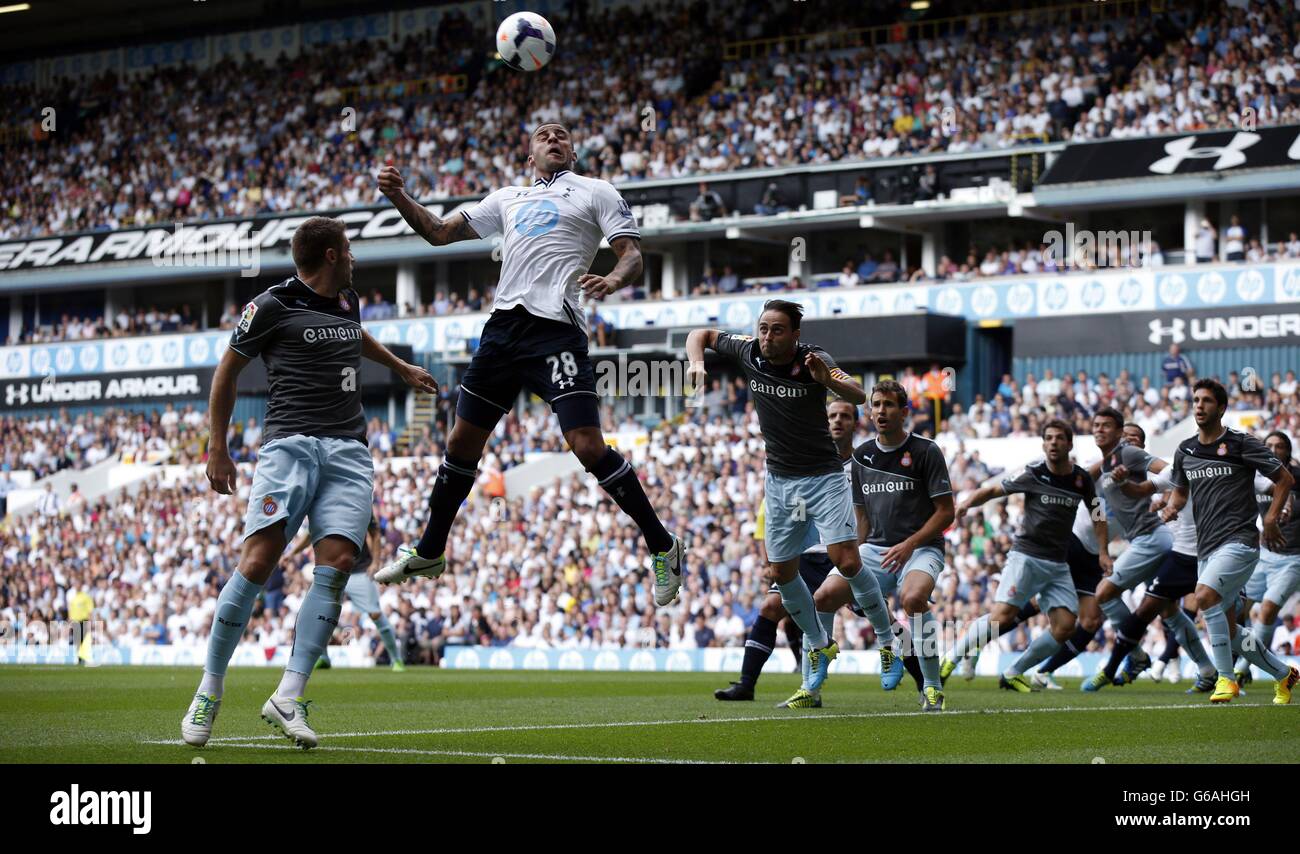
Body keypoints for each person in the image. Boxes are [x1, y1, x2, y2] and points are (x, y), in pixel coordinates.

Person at [374, 123, 684, 606]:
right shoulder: (506, 198)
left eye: (561, 135)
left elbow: (632, 256)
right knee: (460, 442)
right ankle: (431, 550)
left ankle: (663, 545)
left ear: (575, 151)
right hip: (502, 332)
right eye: (543, 135)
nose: (553, 138)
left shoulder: (596, 192)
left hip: (556, 331)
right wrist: (399, 196)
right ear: (529, 154)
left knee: (586, 445)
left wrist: (614, 280)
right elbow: (437, 233)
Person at [181, 216, 437, 750]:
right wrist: (218, 446)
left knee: (340, 563)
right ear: (328, 256)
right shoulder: (270, 306)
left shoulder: (348, 300)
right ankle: (209, 688)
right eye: (348, 250)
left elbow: (355, 336)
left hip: (350, 449)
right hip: (289, 445)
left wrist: (401, 368)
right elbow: (226, 372)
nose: (354, 259)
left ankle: (289, 695)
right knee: (257, 562)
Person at [687, 300, 889, 698]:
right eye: (763, 328)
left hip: (822, 476)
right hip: (779, 479)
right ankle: (818, 644)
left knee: (847, 560)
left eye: (777, 330)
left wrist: (826, 379)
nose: (767, 337)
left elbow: (859, 394)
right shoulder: (747, 350)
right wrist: (697, 362)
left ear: (794, 335)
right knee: (779, 575)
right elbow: (702, 335)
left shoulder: (814, 359)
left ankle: (888, 642)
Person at [714, 401, 921, 707]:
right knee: (772, 606)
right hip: (809, 555)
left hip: (848, 553)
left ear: (855, 423)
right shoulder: (802, 462)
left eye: (845, 416)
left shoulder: (865, 465)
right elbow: (785, 511)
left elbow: (870, 514)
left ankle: (926, 682)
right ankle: (747, 684)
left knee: (885, 620)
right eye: (832, 416)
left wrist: (859, 552)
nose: (838, 421)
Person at [940, 420, 1112, 692]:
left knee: (1066, 626)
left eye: (1058, 438)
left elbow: (1098, 516)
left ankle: (1013, 672)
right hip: (1027, 557)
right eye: (1048, 438)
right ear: (1043, 444)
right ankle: (952, 656)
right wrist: (965, 504)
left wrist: (1103, 551)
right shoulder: (1033, 474)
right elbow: (993, 490)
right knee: (1002, 616)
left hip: (1057, 564)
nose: (1053, 442)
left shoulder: (1081, 480)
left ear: (1069, 444)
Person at [1161, 379, 1297, 704]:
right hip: (1205, 549)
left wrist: (1270, 518)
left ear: (1221, 408)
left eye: (1206, 400)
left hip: (1241, 542)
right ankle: (1284, 674)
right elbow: (1180, 491)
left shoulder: (1240, 443)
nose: (1199, 405)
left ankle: (1226, 679)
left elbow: (1284, 479)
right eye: (1195, 400)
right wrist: (1170, 506)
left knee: (1203, 597)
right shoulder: (1185, 450)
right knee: (1230, 629)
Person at [823, 380, 955, 710]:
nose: (881, 411)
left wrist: (910, 544)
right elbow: (861, 515)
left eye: (889, 405)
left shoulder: (926, 451)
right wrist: (856, 553)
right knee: (823, 597)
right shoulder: (862, 456)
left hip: (922, 549)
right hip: (875, 550)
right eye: (876, 405)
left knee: (912, 599)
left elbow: (946, 512)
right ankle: (813, 681)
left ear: (904, 412)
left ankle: (933, 687)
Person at [1038, 411, 1173, 690]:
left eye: (1106, 426)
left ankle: (1131, 657)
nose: (1100, 430)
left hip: (1149, 539)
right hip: (1120, 543)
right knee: (1170, 609)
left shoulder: (1131, 460)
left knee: (1103, 596)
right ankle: (1202, 669)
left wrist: (1169, 495)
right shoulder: (1107, 465)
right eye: (1096, 426)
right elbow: (1082, 482)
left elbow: (1170, 473)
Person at [287, 515, 405, 671]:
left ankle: (396, 659)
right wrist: (292, 553)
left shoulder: (360, 499)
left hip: (359, 571)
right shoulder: (324, 503)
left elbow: (375, 533)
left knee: (375, 614)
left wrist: (376, 562)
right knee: (318, 612)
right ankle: (322, 657)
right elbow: (310, 534)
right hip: (330, 570)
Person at [1234, 431, 1300, 683]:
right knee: (1238, 609)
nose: (1273, 450)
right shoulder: (1256, 477)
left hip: (1293, 557)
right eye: (1269, 445)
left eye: (1279, 446)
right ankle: (1240, 660)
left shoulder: (1295, 478)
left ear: (1288, 451)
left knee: (1268, 609)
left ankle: (1243, 667)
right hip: (1263, 554)